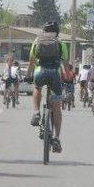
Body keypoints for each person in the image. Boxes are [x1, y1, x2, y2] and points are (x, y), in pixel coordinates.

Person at [26, 21, 68, 153]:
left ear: (44, 31)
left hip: (40, 72)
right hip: (54, 75)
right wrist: (66, 76)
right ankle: (56, 138)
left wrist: (28, 75)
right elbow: (65, 65)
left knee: (37, 88)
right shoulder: (61, 43)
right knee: (56, 107)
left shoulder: (37, 41)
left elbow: (32, 61)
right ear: (57, 31)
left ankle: (36, 112)